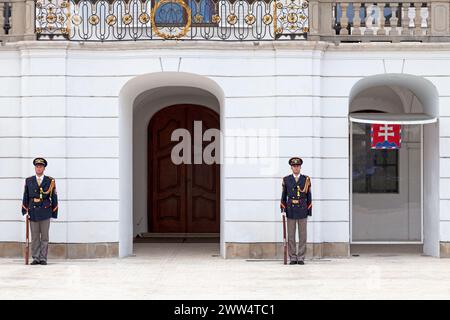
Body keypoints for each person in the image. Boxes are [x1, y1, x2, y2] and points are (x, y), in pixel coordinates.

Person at [21, 158, 58, 265]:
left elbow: (54, 197)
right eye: (37, 166)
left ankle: (43, 258)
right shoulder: (29, 180)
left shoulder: (50, 181)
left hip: (46, 211)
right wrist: (25, 210)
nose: (39, 168)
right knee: (35, 236)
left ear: (44, 168)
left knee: (45, 236)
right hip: (33, 211)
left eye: (41, 166)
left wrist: (54, 212)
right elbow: (26, 196)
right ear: (35, 168)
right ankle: (36, 258)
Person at [280, 157, 312, 265]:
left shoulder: (306, 179)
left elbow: (309, 196)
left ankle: (301, 257)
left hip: (302, 209)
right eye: (294, 166)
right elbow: (283, 196)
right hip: (291, 210)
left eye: (297, 166)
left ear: (300, 167)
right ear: (291, 168)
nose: (296, 168)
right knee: (291, 235)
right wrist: (283, 209)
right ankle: (293, 257)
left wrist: (309, 210)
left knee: (303, 235)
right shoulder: (286, 179)